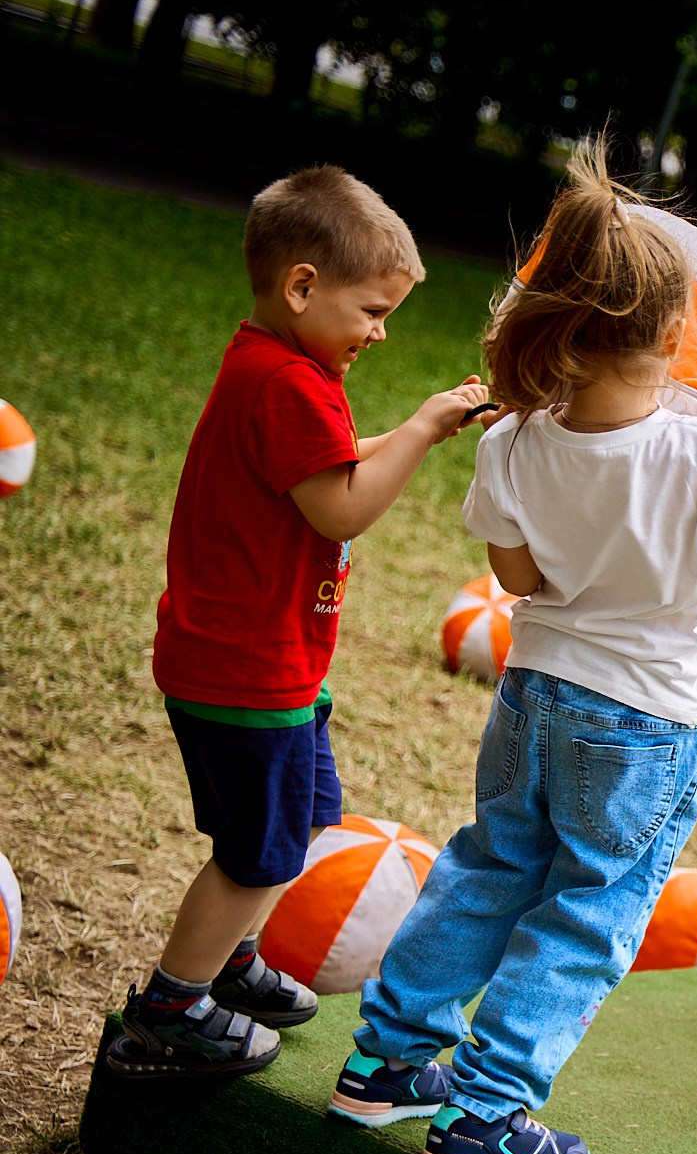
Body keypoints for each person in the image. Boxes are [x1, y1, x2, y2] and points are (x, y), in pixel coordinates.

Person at [327, 142, 697, 1154]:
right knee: (589, 910)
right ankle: (483, 1118)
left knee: (490, 866)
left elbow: (520, 577)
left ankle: (385, 1064)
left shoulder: (513, 440)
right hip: (644, 727)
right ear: (678, 335)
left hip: (532, 698)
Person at [110, 167, 490, 1078]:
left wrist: (415, 430)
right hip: (250, 669)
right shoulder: (292, 384)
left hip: (260, 662)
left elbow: (318, 466)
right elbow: (340, 508)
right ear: (302, 286)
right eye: (372, 310)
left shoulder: (274, 365)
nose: (381, 332)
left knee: (300, 821)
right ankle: (170, 1005)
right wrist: (423, 426)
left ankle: (228, 958)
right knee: (258, 851)